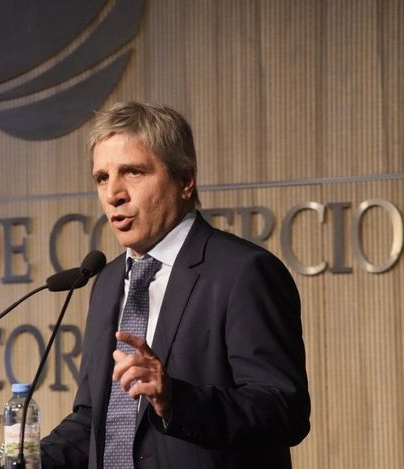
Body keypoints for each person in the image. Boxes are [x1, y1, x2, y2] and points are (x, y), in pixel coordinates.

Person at [41, 101, 310, 469]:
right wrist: (21, 459)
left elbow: (284, 410)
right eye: (102, 178)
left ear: (185, 180)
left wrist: (175, 401)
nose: (113, 193)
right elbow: (95, 420)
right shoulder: (106, 282)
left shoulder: (244, 272)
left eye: (132, 172)